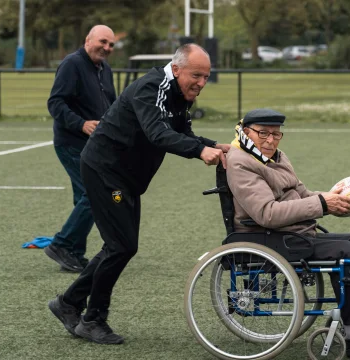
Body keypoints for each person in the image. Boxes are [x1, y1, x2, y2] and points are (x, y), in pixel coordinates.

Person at [48, 44, 229, 344]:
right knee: (120, 245)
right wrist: (200, 151)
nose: (201, 82)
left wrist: (213, 144)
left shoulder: (181, 94)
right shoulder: (152, 87)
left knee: (122, 246)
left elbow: (182, 132)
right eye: (196, 75)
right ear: (177, 68)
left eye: (206, 77)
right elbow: (157, 133)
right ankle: (92, 319)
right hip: (105, 172)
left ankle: (68, 303)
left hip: (126, 178)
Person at [225, 108, 350, 357]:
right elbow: (266, 213)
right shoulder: (241, 163)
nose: (270, 140)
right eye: (263, 134)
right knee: (345, 250)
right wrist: (323, 205)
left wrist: (336, 200)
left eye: (276, 134)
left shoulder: (276, 156)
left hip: (292, 233)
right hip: (267, 237)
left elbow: (303, 194)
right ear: (247, 132)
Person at [43, 25, 117, 273]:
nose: (106, 48)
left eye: (111, 45)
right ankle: (62, 244)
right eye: (103, 42)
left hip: (94, 145)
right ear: (88, 40)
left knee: (83, 197)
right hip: (71, 143)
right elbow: (55, 102)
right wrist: (81, 124)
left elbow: (111, 104)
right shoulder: (72, 64)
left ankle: (73, 252)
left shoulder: (104, 68)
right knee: (94, 194)